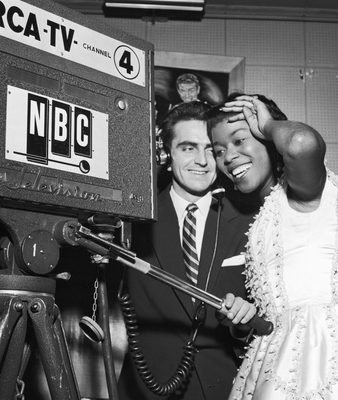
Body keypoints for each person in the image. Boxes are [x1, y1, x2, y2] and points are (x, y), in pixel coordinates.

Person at [208, 92, 338, 399]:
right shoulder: (264, 216)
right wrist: (242, 324)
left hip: (323, 353)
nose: (228, 157)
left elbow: (301, 143)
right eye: (218, 150)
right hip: (272, 360)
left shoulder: (307, 193)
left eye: (240, 140)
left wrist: (270, 124)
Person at [117, 101, 258, 400]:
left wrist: (242, 326)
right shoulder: (132, 220)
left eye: (211, 150)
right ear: (166, 154)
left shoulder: (250, 221)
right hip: (150, 385)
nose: (203, 161)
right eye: (188, 148)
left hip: (226, 386)